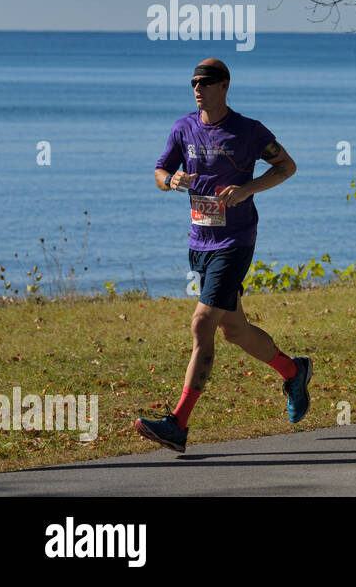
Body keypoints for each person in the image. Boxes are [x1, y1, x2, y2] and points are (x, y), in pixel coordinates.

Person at [135, 58, 311, 453]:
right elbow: (160, 170)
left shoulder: (248, 131)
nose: (198, 87)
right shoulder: (184, 128)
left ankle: (177, 424)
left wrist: (248, 189)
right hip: (200, 242)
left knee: (202, 325)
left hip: (235, 242)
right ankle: (293, 370)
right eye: (194, 81)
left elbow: (287, 166)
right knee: (235, 330)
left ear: (225, 85)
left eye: (206, 81)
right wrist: (171, 180)